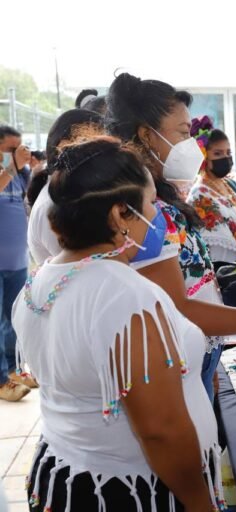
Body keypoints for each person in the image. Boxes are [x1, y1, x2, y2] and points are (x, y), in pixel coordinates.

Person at [13, 134, 223, 510]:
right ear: (119, 214)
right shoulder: (126, 295)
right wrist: (200, 504)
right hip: (130, 493)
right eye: (151, 204)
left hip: (65, 478)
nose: (158, 217)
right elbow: (160, 431)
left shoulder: (41, 280)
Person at [103, 73, 236, 400]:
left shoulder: (162, 199)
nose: (191, 145)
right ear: (147, 134)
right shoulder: (143, 215)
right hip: (173, 360)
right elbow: (176, 307)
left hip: (198, 349)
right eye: (184, 133)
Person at [27, 109, 105, 263]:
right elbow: (81, 268)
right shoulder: (52, 206)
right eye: (97, 148)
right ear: (64, 148)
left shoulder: (72, 194)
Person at [187, 116, 236, 263]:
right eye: (217, 153)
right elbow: (217, 250)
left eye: (228, 153)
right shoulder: (199, 195)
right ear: (203, 156)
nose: (225, 158)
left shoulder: (228, 184)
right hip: (228, 268)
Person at [0, 125, 33, 402]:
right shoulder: (8, 172)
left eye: (20, 148)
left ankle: (13, 369)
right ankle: (1, 380)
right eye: (11, 149)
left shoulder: (20, 175)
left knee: (14, 318)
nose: (18, 153)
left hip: (17, 261)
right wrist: (12, 166)